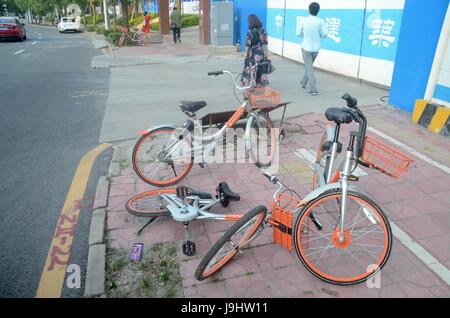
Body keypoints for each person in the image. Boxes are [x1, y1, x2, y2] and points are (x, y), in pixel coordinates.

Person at [297, 2, 328, 96]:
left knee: (309, 67)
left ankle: (313, 88)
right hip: (316, 48)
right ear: (318, 11)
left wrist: (304, 34)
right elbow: (325, 34)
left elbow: (298, 34)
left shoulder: (303, 20)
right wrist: (319, 35)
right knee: (309, 66)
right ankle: (303, 82)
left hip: (306, 47)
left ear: (309, 10)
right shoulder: (321, 21)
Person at [241, 14, 270, 88]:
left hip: (252, 55)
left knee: (251, 70)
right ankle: (259, 84)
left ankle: (250, 85)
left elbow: (247, 45)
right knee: (260, 69)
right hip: (260, 55)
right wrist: (266, 55)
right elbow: (265, 45)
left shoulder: (250, 32)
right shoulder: (263, 31)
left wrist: (245, 54)